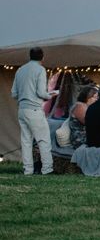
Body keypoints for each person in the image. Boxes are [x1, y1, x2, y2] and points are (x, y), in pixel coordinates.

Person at [10, 47, 58, 175]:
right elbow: (41, 92)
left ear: (29, 56)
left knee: (26, 141)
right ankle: (47, 169)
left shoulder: (20, 70)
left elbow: (14, 94)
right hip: (35, 109)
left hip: (22, 109)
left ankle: (28, 170)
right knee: (43, 140)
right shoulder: (40, 70)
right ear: (43, 57)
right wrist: (51, 94)